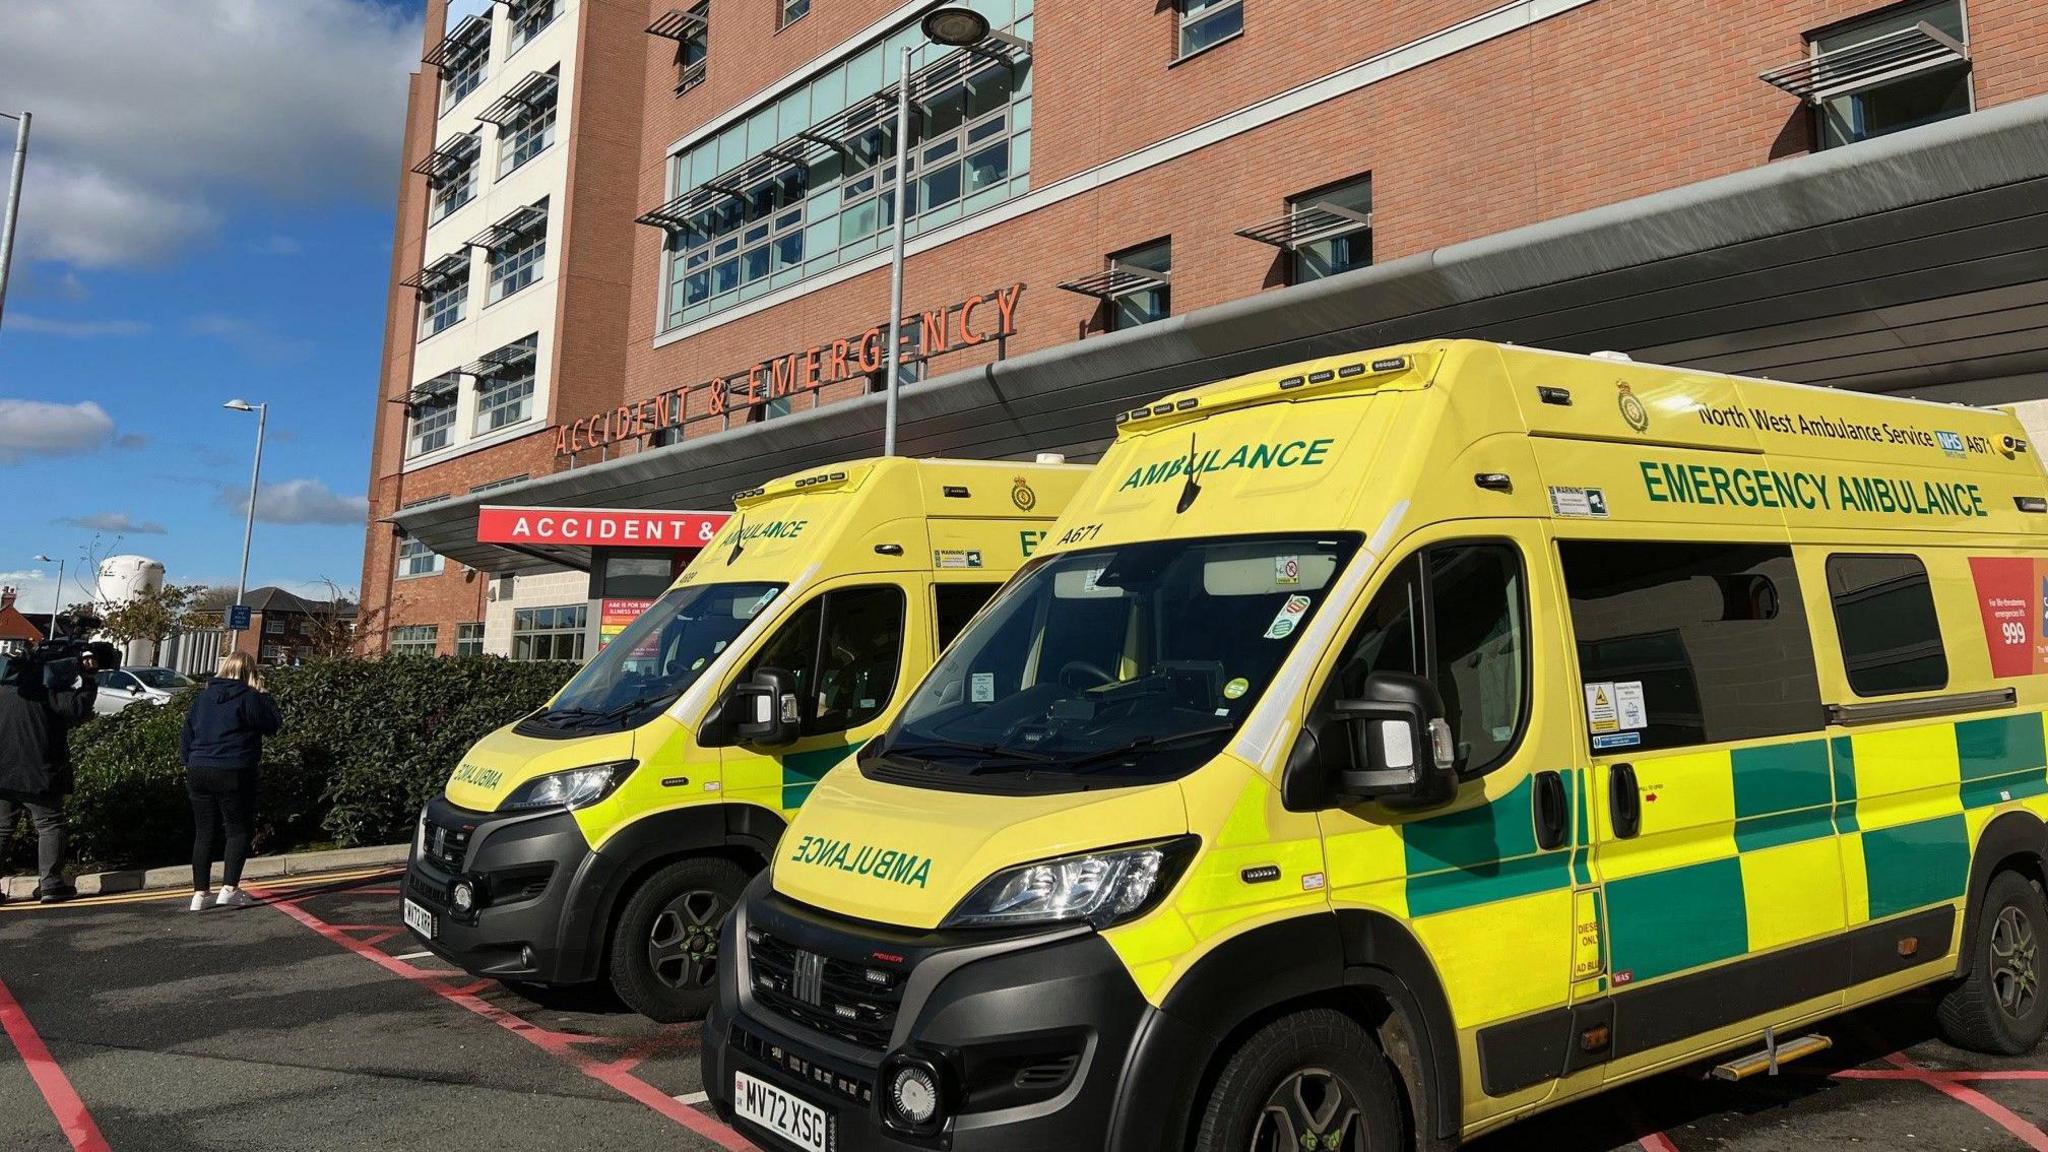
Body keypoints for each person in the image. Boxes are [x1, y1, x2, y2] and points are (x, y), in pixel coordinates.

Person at [180, 652, 281, 911]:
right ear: (250, 673)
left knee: (204, 832)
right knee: (237, 830)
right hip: (233, 768)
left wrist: (190, 762)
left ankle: (199, 894)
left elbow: (187, 734)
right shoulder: (249, 697)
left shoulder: (203, 697)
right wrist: (264, 696)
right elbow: (272, 725)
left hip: (199, 767)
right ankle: (229, 888)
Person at [0, 643, 99, 905]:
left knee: (1, 828)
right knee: (50, 824)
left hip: (2, 768)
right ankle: (51, 884)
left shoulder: (9, 684)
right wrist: (88, 680)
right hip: (38, 771)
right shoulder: (50, 688)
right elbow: (77, 710)